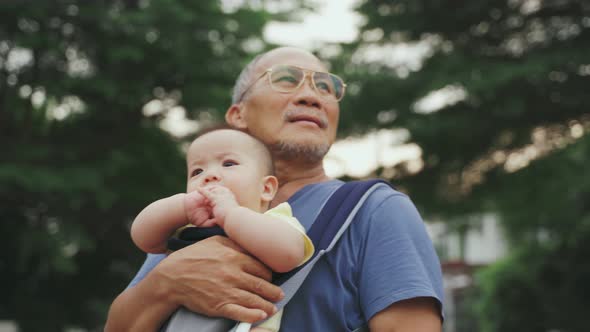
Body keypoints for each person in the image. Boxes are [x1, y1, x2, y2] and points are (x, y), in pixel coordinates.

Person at [105, 46, 444, 332]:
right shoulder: (196, 213)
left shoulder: (376, 209)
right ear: (238, 114)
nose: (312, 96)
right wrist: (167, 283)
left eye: (326, 88)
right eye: (286, 79)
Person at [129, 128, 314, 332]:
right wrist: (181, 206)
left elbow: (288, 255)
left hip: (246, 323)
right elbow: (142, 237)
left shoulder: (274, 221)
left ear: (266, 189)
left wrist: (231, 214)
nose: (209, 176)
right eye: (197, 172)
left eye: (228, 164)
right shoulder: (187, 226)